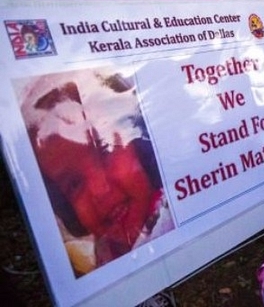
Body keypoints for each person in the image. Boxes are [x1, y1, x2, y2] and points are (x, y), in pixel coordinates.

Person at [16, 69, 174, 276]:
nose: (100, 190)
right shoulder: (101, 261)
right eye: (74, 184)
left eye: (105, 148)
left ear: (142, 142)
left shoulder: (178, 205)